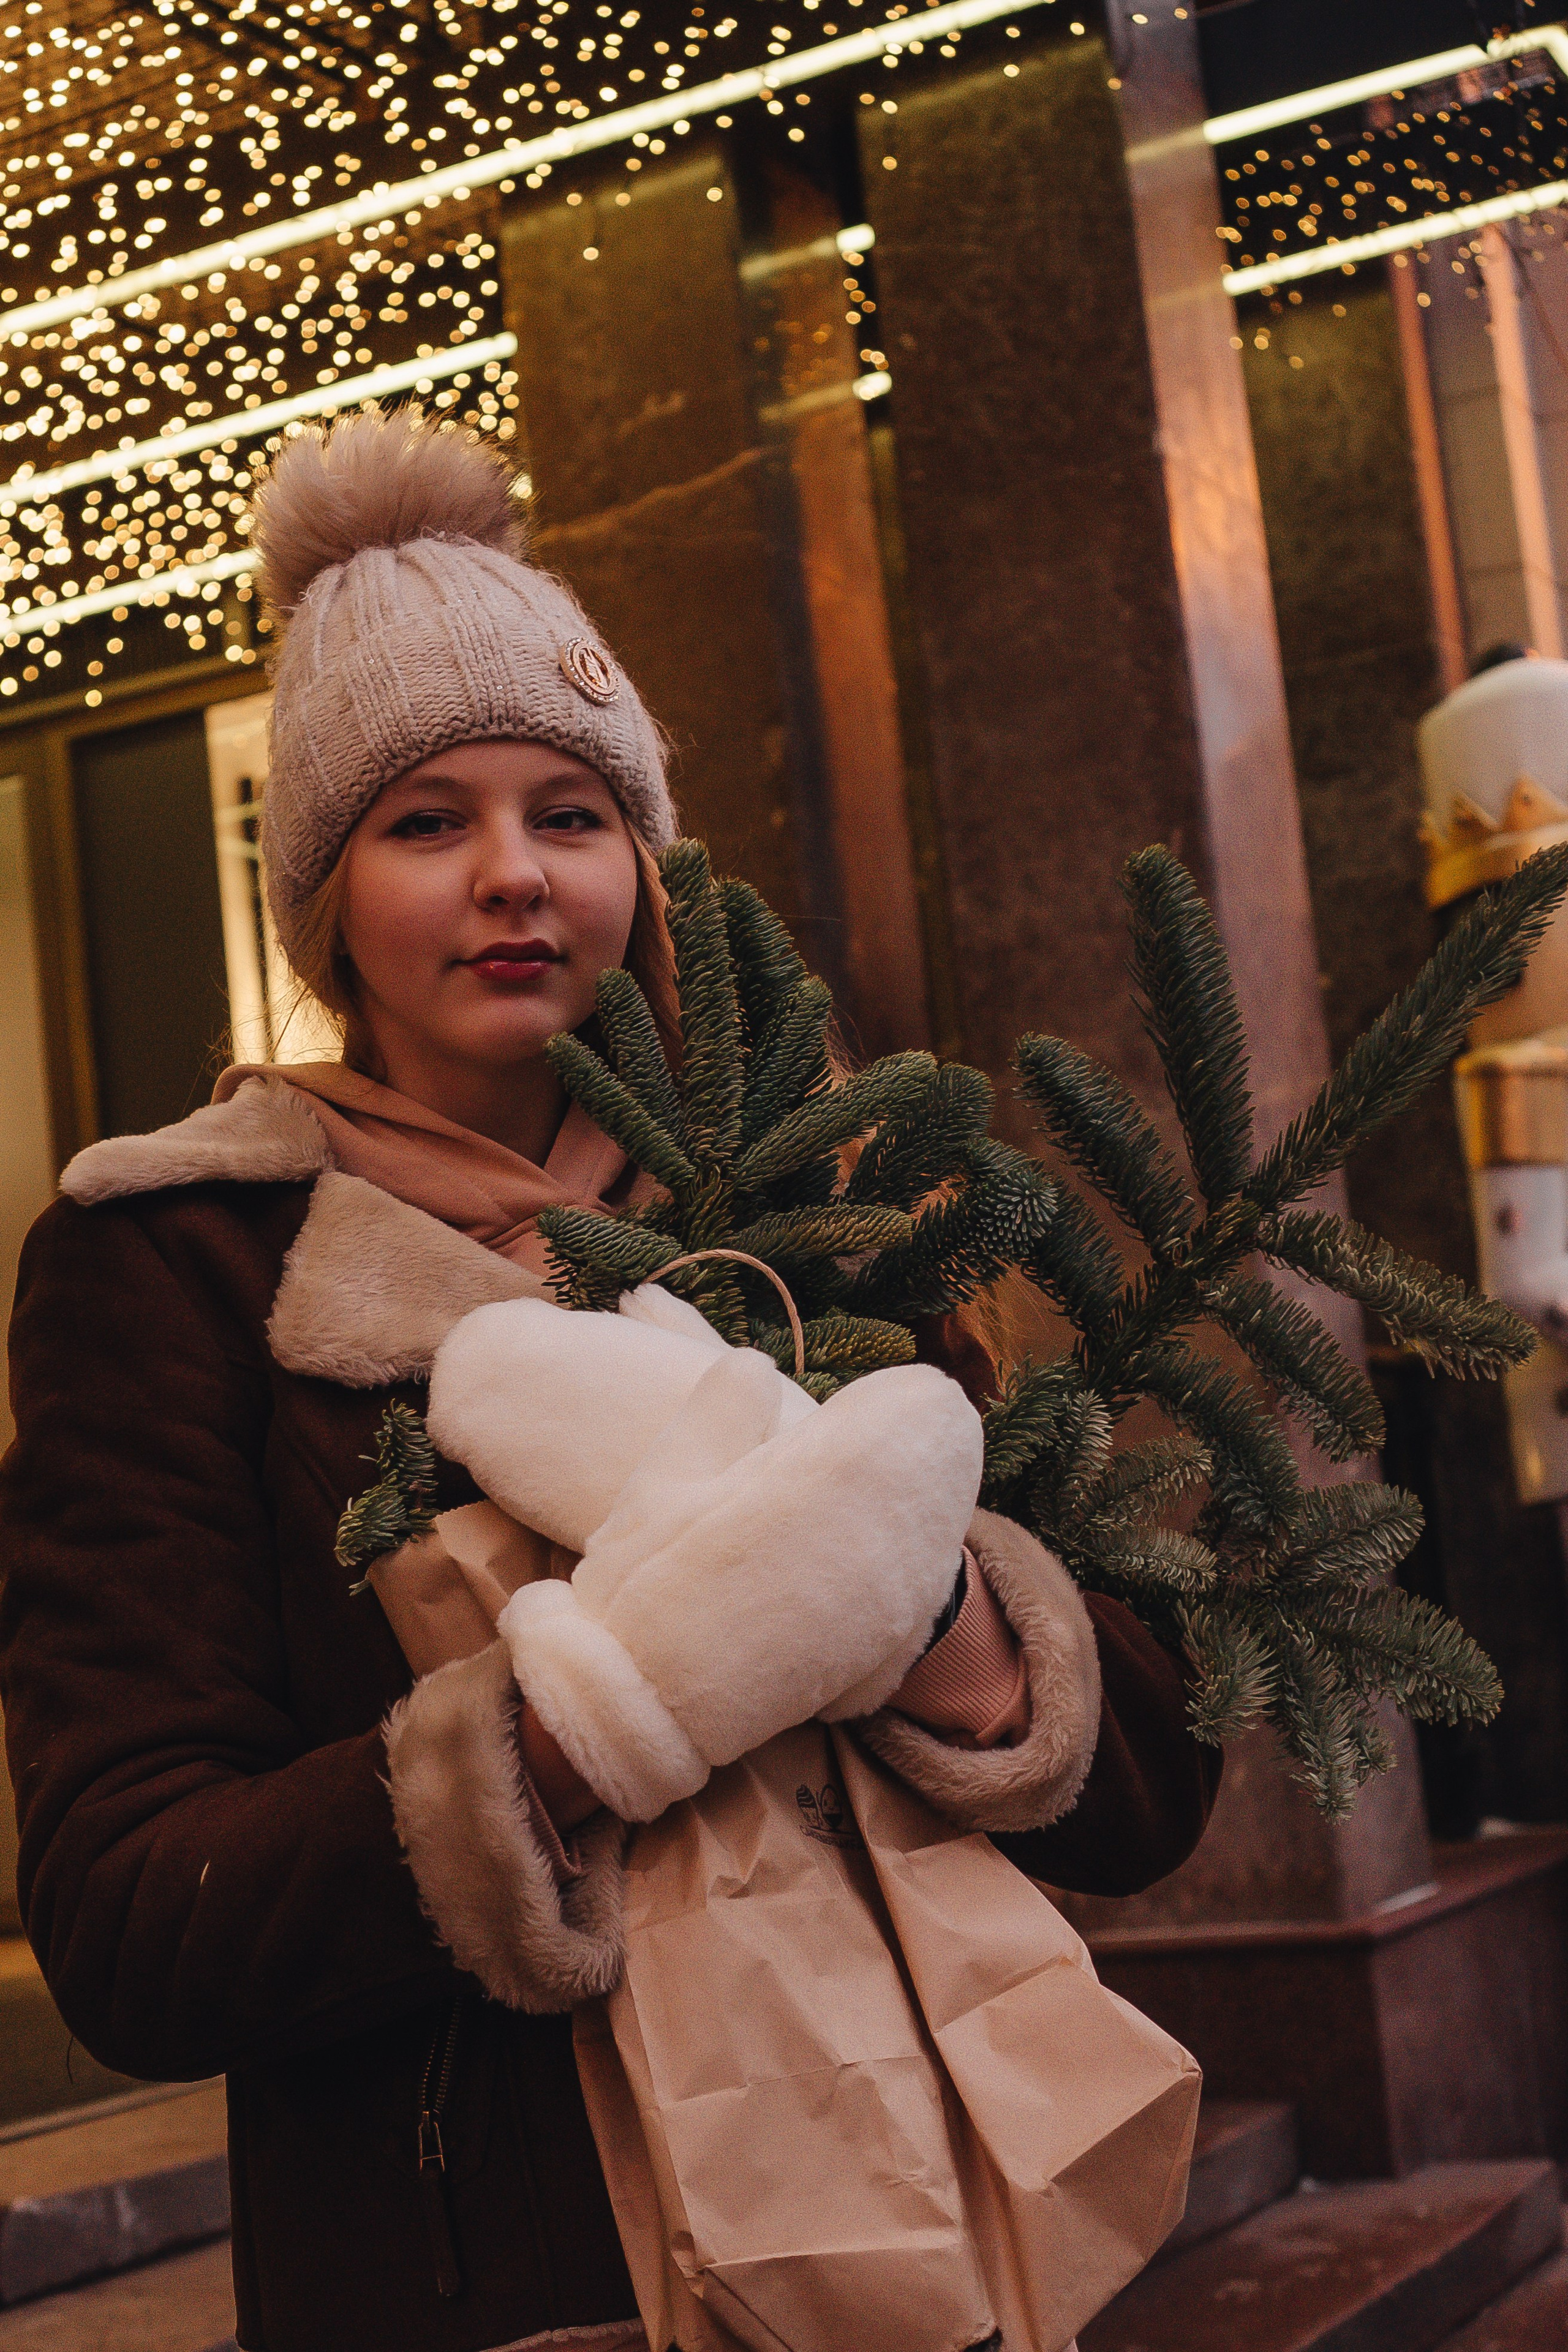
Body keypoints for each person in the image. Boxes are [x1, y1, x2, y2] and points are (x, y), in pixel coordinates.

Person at [0, 410, 1218, 2352]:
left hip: (924, 2236)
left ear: (642, 865)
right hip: (488, 2281)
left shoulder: (819, 1211)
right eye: (427, 822)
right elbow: (137, 1917)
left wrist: (921, 1620)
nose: (514, 877)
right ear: (324, 892)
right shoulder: (172, 1267)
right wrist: (614, 1708)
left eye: (570, 812)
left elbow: (1146, 1791)